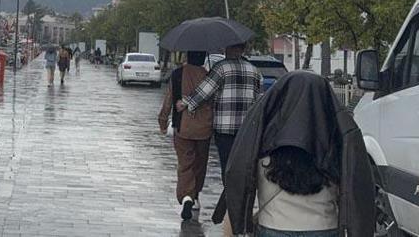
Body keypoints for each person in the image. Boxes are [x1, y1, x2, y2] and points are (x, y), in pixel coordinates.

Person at [224, 71, 375, 236]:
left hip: (273, 228)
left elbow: (239, 184)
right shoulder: (338, 146)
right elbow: (356, 195)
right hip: (324, 228)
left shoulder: (260, 143)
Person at [176, 42, 262, 178]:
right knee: (242, 166)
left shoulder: (221, 68)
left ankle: (229, 195)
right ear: (243, 49)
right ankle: (241, 196)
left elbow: (205, 91)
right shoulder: (254, 70)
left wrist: (186, 102)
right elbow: (258, 100)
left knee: (227, 166)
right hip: (246, 129)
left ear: (228, 48)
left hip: (224, 128)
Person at [158, 51, 212, 221]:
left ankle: (186, 196)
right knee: (200, 162)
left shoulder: (177, 74)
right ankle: (195, 195)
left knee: (185, 163)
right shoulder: (209, 76)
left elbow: (169, 100)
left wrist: (162, 120)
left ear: (188, 56)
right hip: (205, 128)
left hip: (183, 127)